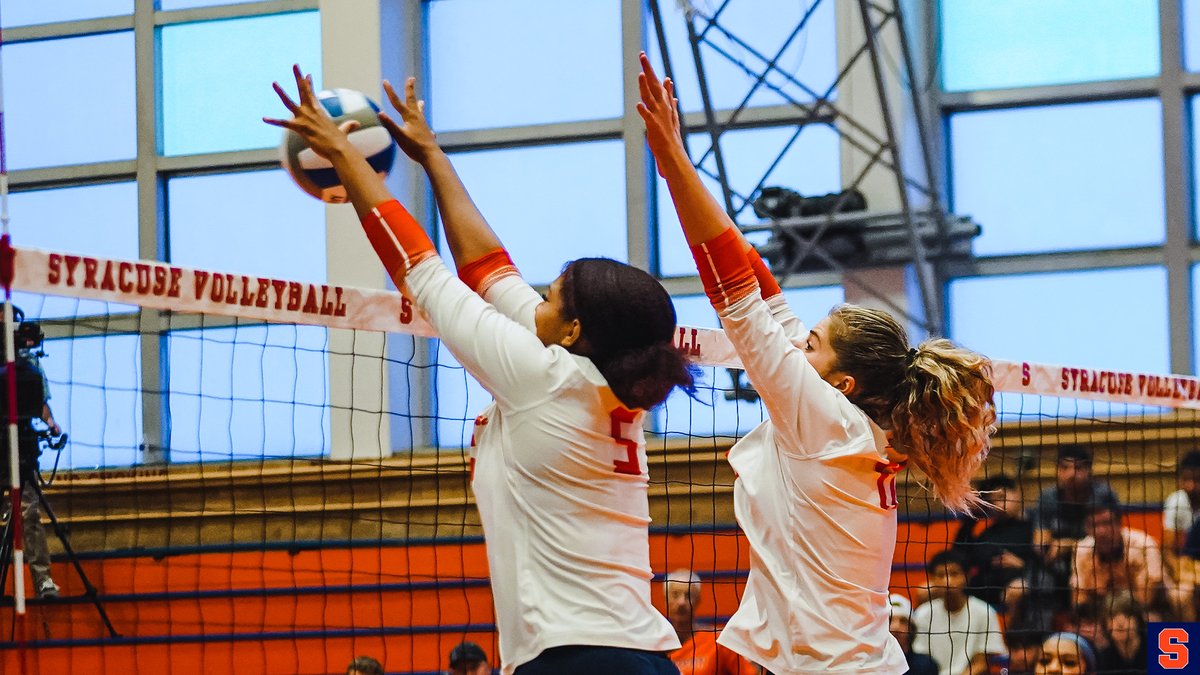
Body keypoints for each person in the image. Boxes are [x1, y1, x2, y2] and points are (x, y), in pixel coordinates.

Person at [267, 67, 691, 675]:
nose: (533, 299)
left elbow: (421, 269)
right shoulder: (600, 385)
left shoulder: (543, 378)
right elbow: (489, 269)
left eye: (549, 297)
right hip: (643, 657)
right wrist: (432, 156)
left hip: (576, 658)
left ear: (573, 332)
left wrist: (343, 155)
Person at [636, 53, 996, 674]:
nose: (798, 344)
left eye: (813, 343)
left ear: (842, 382)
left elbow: (731, 287)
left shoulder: (822, 420)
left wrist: (672, 164)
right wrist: (682, 168)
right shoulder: (846, 421)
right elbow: (756, 275)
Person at [0, 310, 62, 599]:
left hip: (22, 446)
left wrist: (51, 423)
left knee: (30, 512)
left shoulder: (31, 365)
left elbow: (40, 402)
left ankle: (43, 579)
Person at [911, 551, 1008, 675]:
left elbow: (982, 663)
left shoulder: (985, 612)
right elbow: (921, 661)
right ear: (932, 580)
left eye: (954, 574)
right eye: (940, 575)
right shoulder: (923, 614)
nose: (947, 581)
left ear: (967, 576)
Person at [951, 474, 1035, 609]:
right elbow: (958, 557)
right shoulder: (988, 535)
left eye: (1002, 497)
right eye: (992, 502)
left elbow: (1046, 563)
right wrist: (972, 517)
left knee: (1018, 589)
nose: (999, 505)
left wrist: (1023, 566)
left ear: (1017, 493)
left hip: (1025, 585)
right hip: (985, 588)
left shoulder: (1036, 527)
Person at [662, 569, 755, 675]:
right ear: (665, 600)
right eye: (675, 595)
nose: (681, 602)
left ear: (698, 600)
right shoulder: (655, 645)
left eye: (688, 595)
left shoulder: (718, 642)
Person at [1070, 504, 1163, 609]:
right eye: (1094, 525)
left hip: (1147, 606)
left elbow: (1147, 595)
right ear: (1087, 529)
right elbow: (1079, 596)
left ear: (1119, 524)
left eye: (1107, 523)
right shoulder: (1081, 550)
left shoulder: (1143, 545)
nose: (1101, 532)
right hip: (1102, 608)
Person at [1095, 592, 1146, 674]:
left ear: (1138, 620)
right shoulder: (1102, 657)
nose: (1120, 623)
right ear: (1105, 624)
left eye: (1127, 615)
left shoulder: (1158, 647)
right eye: (1112, 616)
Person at [887, 594, 938, 675]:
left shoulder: (926, 665)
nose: (896, 627)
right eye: (890, 620)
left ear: (911, 628)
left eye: (903, 621)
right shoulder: (871, 664)